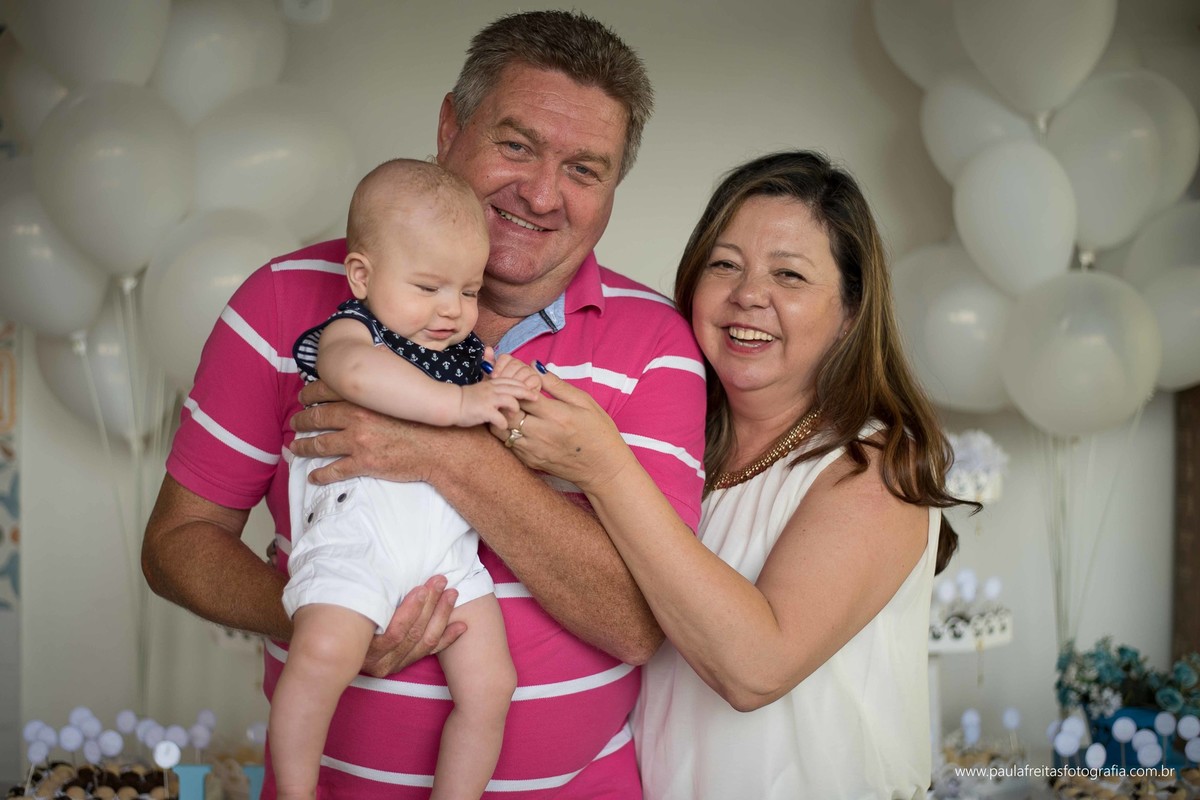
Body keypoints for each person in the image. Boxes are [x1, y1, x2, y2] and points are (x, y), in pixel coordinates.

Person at [141, 10, 707, 799]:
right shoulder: (284, 299)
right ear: (450, 125)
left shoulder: (659, 346)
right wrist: (328, 617)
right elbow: (178, 542)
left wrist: (448, 451)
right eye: (517, 145)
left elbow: (640, 624)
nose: (542, 194)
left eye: (585, 169)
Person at [492, 150, 973, 799]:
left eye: (790, 275)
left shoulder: (875, 468)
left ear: (851, 314)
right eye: (725, 265)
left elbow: (755, 668)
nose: (749, 295)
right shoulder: (677, 455)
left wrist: (605, 469)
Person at [272, 159, 537, 800]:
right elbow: (360, 379)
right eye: (428, 287)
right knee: (322, 656)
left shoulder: (466, 358)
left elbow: (504, 427)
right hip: (355, 540)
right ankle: (296, 792)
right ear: (362, 276)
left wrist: (513, 392)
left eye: (470, 291)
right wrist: (462, 406)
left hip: (447, 553)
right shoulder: (350, 332)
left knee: (492, 685)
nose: (451, 310)